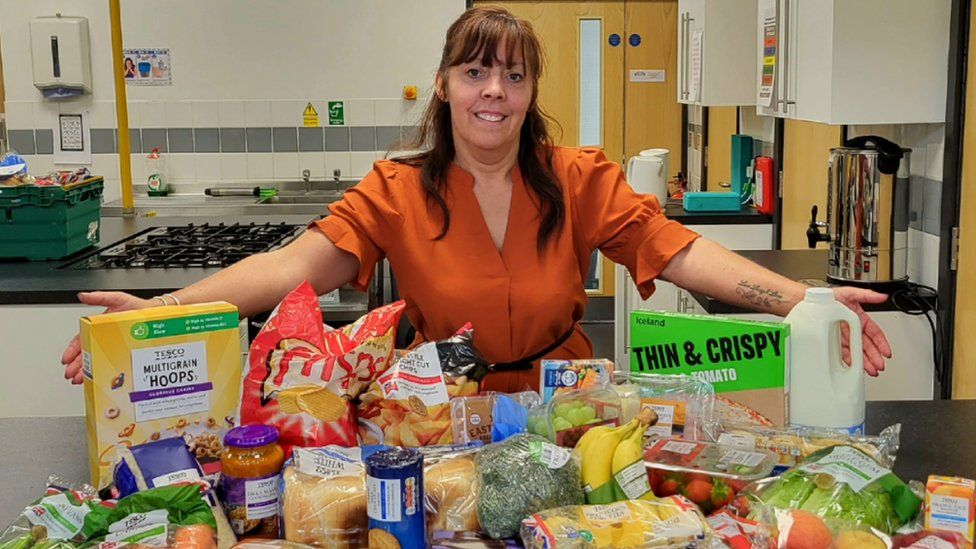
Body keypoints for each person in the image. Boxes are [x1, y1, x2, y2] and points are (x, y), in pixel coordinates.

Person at [61, 6, 891, 393]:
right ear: (447, 84)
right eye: (477, 70)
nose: (495, 90)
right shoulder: (395, 190)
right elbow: (283, 272)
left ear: (531, 90)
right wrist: (156, 310)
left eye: (514, 73)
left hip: (565, 406)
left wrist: (802, 299)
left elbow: (678, 250)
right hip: (434, 405)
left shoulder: (576, 177)